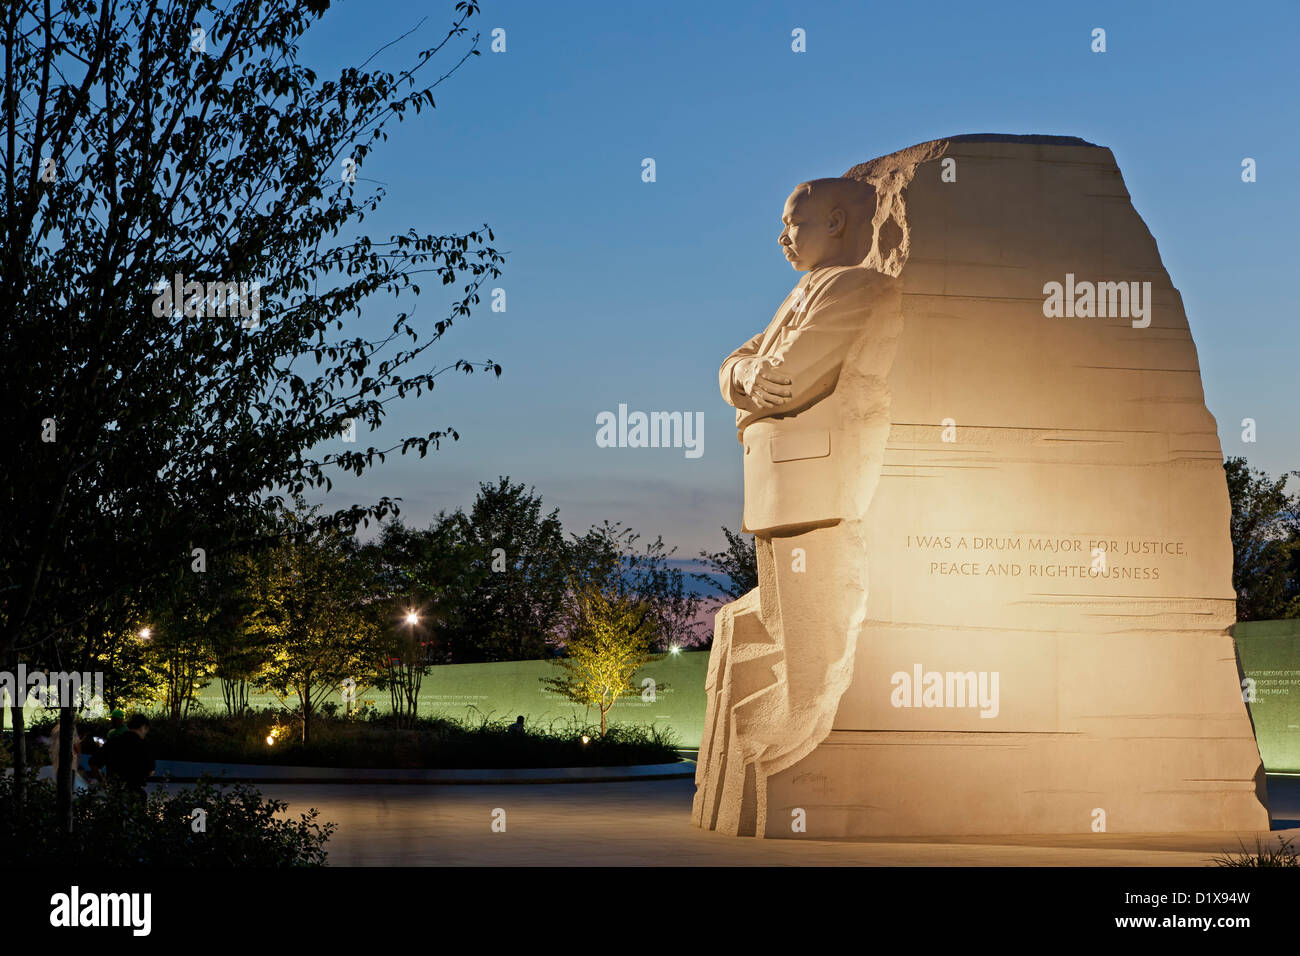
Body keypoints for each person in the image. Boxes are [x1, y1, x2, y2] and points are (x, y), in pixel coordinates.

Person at [89, 714, 155, 804]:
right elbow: (150, 772)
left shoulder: (113, 742)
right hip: (135, 794)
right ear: (143, 727)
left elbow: (93, 763)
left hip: (115, 793)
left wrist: (104, 783)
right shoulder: (145, 746)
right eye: (147, 729)